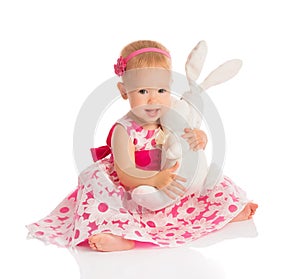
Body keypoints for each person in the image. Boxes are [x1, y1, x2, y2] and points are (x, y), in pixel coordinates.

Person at [26, 40, 258, 252]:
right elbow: (125, 173)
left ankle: (226, 210)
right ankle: (116, 233)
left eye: (161, 91)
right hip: (134, 188)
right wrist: (152, 180)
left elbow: (189, 143)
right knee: (102, 198)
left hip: (170, 187)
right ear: (124, 91)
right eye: (143, 91)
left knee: (212, 181)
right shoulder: (123, 130)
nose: (153, 99)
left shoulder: (171, 117)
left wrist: (199, 138)